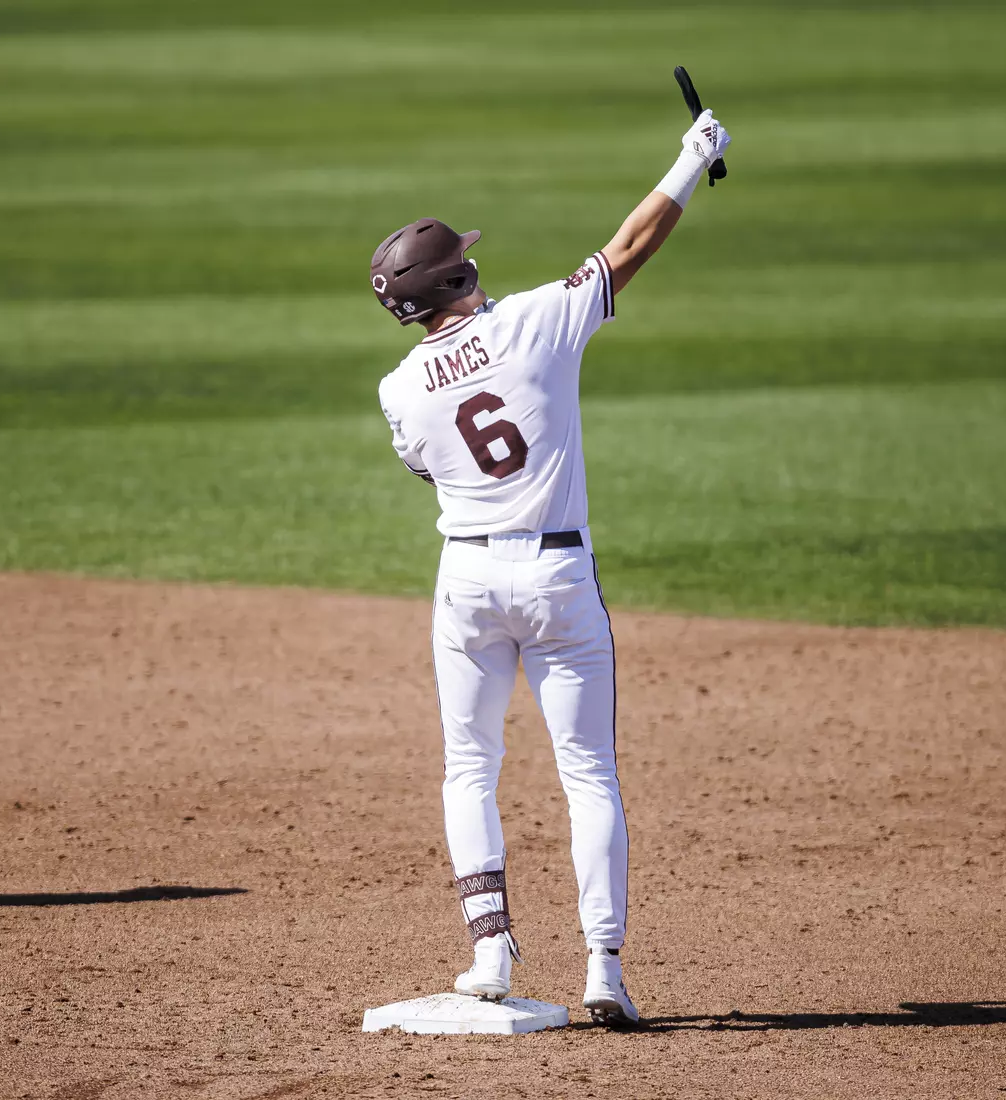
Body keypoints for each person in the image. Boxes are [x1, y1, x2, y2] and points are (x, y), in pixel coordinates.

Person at [371, 108, 730, 1027]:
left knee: (468, 766)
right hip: (559, 581)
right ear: (464, 273)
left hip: (466, 580)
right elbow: (630, 245)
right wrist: (694, 158)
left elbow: (426, 466)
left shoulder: (398, 390)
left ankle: (487, 946)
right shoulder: (538, 320)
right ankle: (602, 971)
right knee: (588, 775)